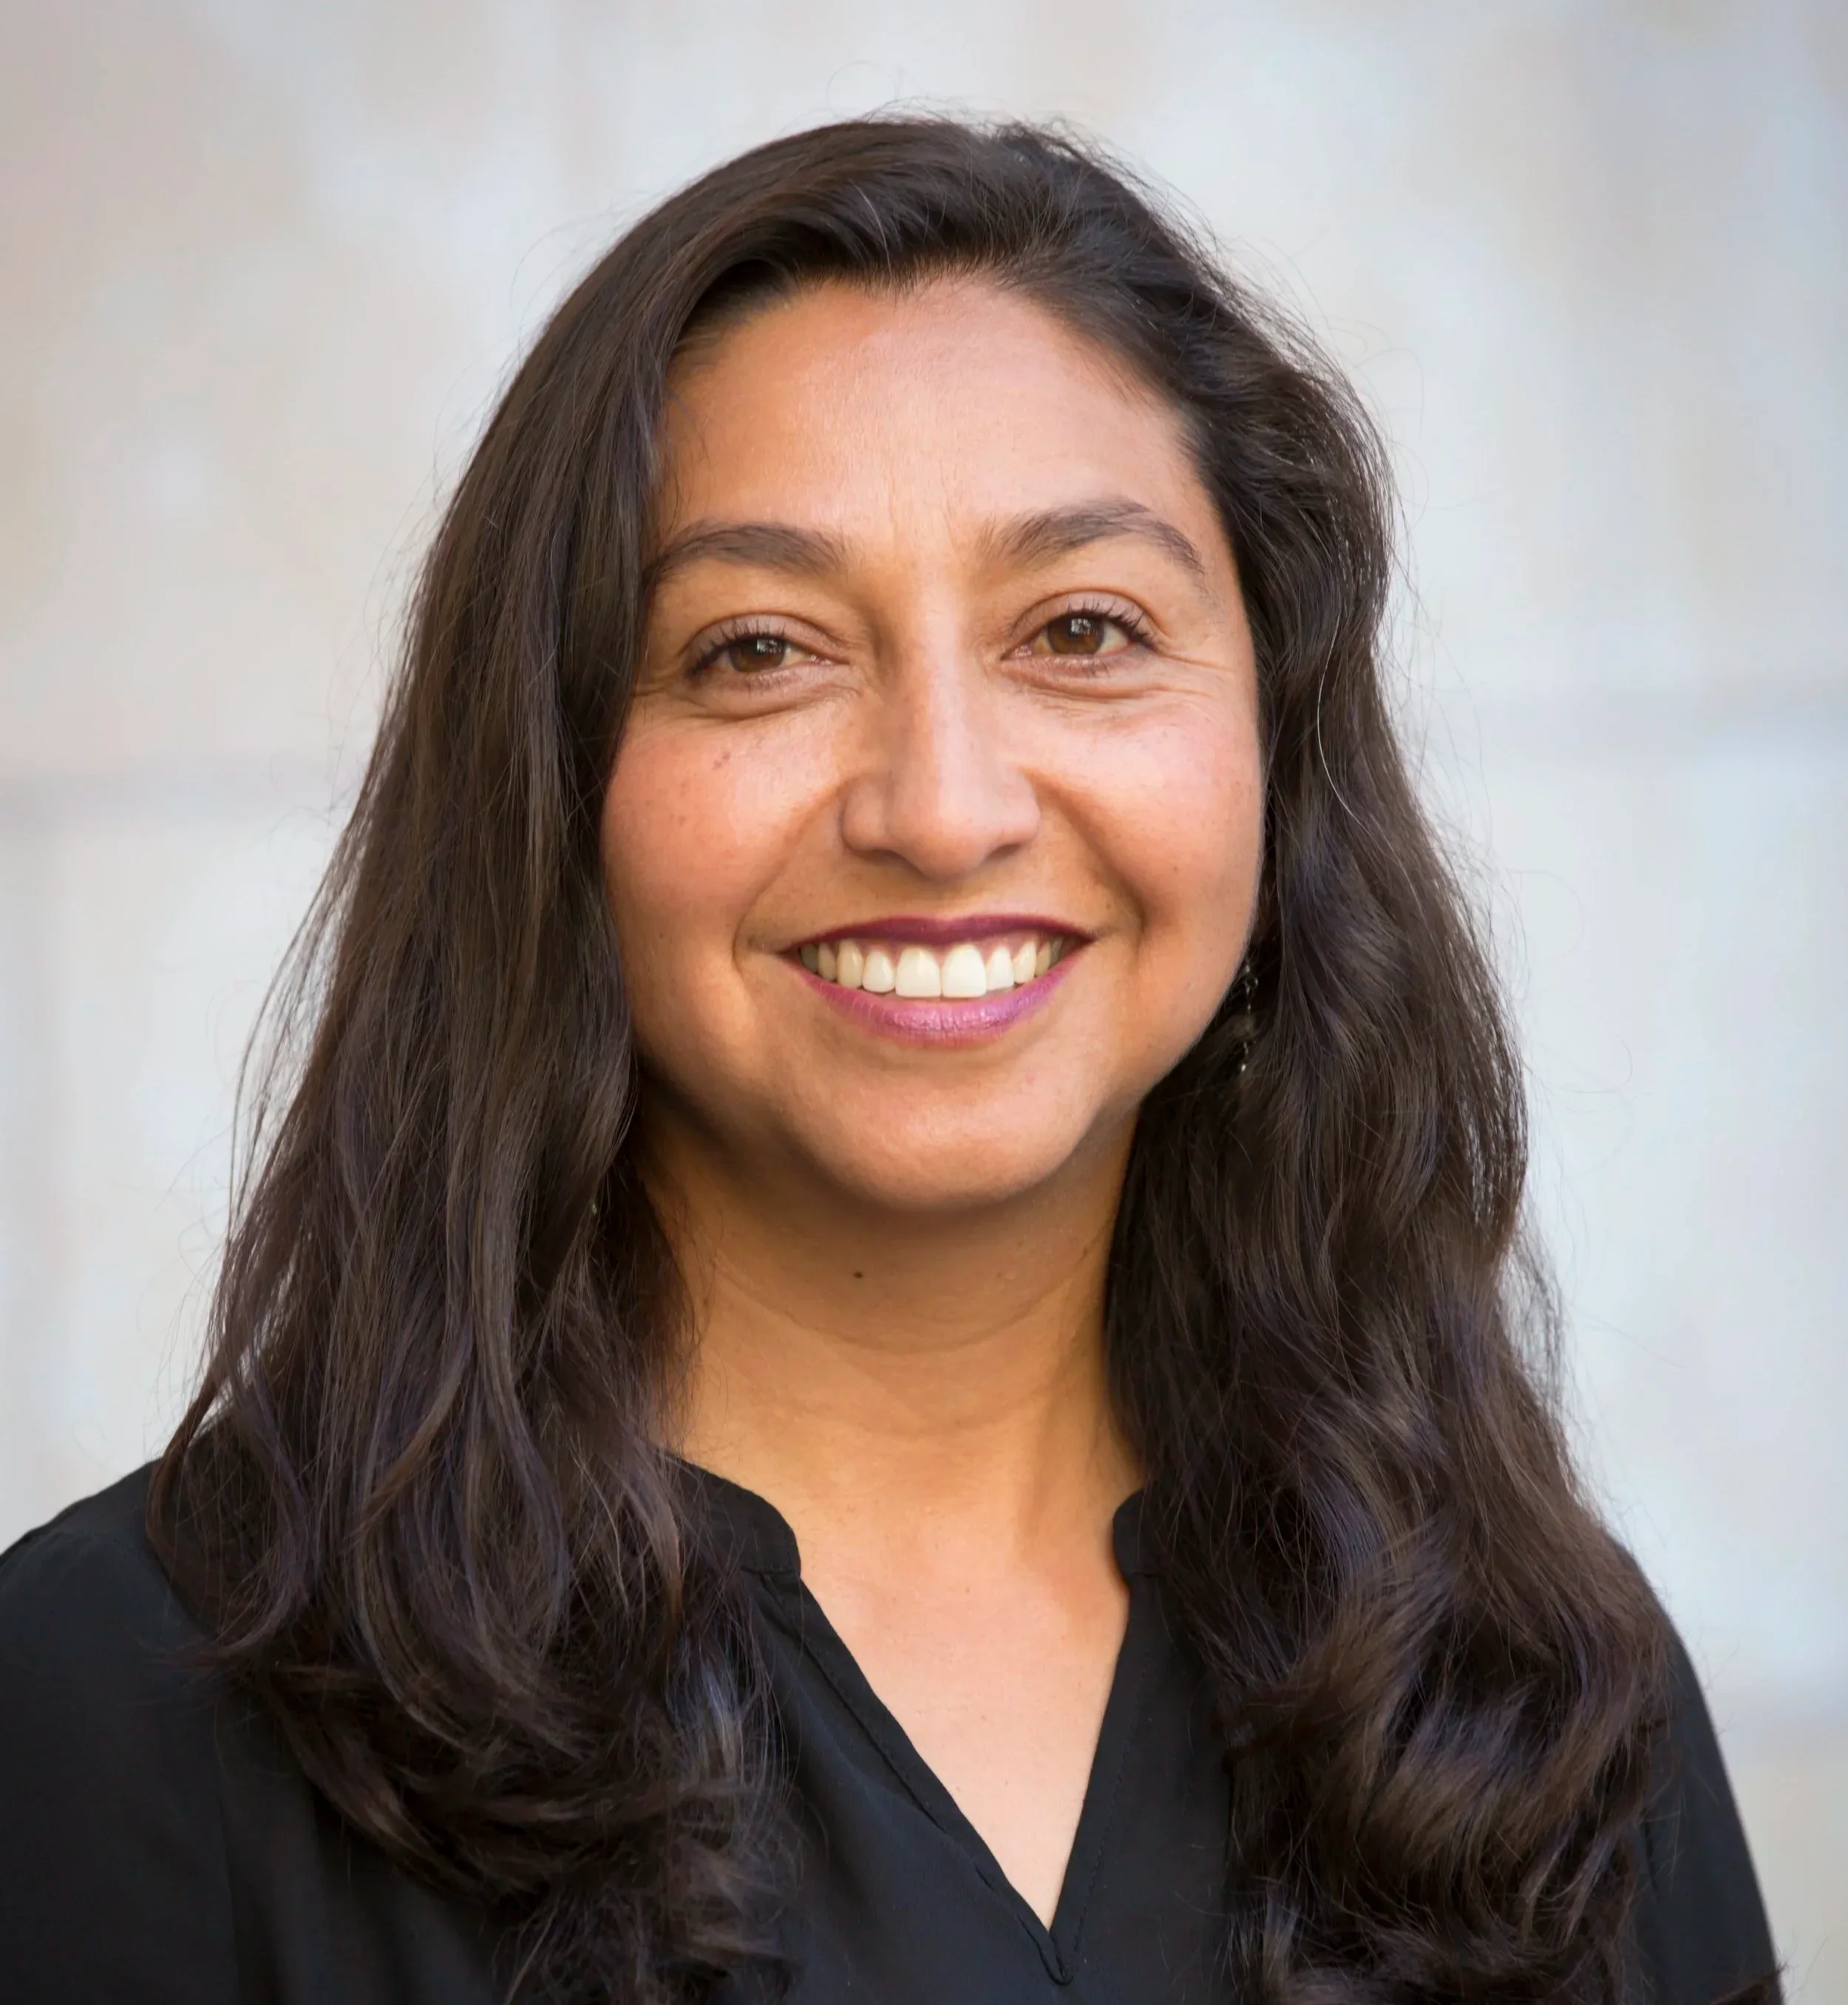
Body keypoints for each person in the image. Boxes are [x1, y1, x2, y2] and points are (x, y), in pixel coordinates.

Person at [0, 118, 1778, 2005]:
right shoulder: (129, 1713)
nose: (942, 807)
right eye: (758, 650)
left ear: (1277, 751)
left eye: (1081, 630)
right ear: (557, 797)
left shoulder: (1534, 1687)